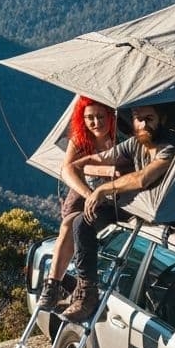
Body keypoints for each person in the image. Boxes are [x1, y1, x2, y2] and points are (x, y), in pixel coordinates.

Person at [62, 105, 175, 323]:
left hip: (156, 214)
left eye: (149, 118)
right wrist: (88, 169)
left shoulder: (170, 147)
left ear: (161, 119)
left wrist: (103, 188)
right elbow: (89, 162)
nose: (144, 124)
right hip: (130, 207)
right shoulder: (135, 142)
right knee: (82, 222)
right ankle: (87, 294)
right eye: (138, 119)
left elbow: (143, 178)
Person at [39, 97, 117, 311]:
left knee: (73, 225)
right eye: (89, 118)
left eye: (101, 117)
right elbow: (67, 170)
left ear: (111, 116)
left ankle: (55, 285)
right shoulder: (80, 139)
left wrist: (93, 172)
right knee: (68, 224)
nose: (96, 123)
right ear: (82, 119)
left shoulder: (120, 140)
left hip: (111, 197)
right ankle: (53, 285)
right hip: (85, 193)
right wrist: (88, 193)